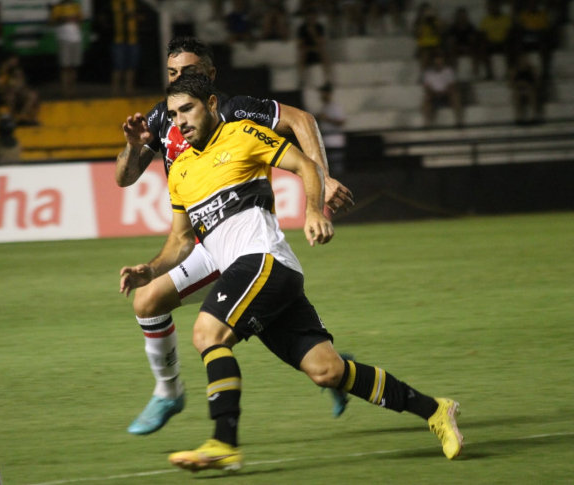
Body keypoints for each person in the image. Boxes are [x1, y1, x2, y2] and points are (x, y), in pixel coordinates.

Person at [119, 74, 464, 472]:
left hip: (263, 261)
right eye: (175, 113)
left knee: (207, 334)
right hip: (259, 277)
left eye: (188, 109)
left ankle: (223, 442)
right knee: (328, 371)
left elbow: (303, 164)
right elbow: (180, 242)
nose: (180, 120)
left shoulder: (242, 134)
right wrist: (149, 269)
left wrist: (315, 210)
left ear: (211, 103)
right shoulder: (179, 171)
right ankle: (437, 410)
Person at [115, 37, 354, 436]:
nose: (178, 80)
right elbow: (124, 178)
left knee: (170, 309)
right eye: (172, 73)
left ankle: (195, 411)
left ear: (208, 75)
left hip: (241, 235)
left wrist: (324, 180)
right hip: (203, 239)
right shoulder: (164, 118)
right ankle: (329, 367)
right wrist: (131, 145)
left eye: (188, 73)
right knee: (147, 301)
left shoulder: (229, 109)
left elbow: (301, 120)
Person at [50, 0, 83, 98]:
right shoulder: (57, 8)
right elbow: (51, 22)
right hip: (64, 39)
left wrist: (74, 20)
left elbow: (80, 20)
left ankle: (73, 91)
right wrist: (64, 19)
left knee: (74, 67)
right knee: (65, 67)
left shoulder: (76, 6)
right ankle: (65, 91)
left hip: (76, 39)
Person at [0, 55, 41, 126]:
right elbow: (0, 87)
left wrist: (19, 88)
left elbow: (22, 85)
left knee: (33, 95)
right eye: (13, 59)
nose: (15, 61)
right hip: (8, 94)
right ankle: (12, 119)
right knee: (11, 96)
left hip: (19, 93)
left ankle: (23, 116)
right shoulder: (3, 71)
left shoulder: (18, 71)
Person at [422, 52, 463, 127]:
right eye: (437, 61)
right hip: (434, 96)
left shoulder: (448, 71)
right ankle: (426, 123)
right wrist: (435, 93)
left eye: (440, 61)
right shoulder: (428, 73)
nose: (439, 63)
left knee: (455, 95)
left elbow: (452, 85)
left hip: (446, 95)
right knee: (426, 98)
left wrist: (444, 92)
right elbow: (427, 87)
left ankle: (459, 121)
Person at [111, 0, 140, 96]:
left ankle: (129, 90)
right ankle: (116, 91)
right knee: (118, 67)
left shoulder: (134, 2)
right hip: (118, 39)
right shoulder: (114, 3)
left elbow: (142, 16)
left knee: (131, 66)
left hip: (133, 39)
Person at [478, 0, 513, 80]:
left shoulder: (505, 19)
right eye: (492, 7)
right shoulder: (485, 20)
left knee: (509, 46)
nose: (494, 8)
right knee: (482, 47)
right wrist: (491, 43)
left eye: (495, 6)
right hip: (491, 44)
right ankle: (489, 72)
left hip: (503, 43)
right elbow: (483, 36)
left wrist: (501, 42)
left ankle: (509, 71)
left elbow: (508, 34)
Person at [315, 82, 346, 173]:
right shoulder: (324, 107)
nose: (321, 95)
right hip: (326, 142)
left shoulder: (336, 107)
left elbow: (341, 122)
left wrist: (326, 118)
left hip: (335, 142)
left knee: (337, 168)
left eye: (324, 93)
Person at [297, 7, 331, 86]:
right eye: (310, 16)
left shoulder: (320, 27)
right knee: (302, 54)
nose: (312, 18)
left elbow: (322, 43)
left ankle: (327, 79)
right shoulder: (302, 28)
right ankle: (301, 80)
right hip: (307, 52)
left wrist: (313, 33)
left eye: (313, 16)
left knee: (324, 53)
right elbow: (300, 45)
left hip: (317, 51)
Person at [509, 53, 542, 124]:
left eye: (526, 60)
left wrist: (528, 85)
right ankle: (519, 117)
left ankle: (534, 116)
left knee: (532, 93)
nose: (524, 61)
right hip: (520, 90)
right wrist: (520, 84)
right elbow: (511, 84)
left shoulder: (532, 70)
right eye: (522, 60)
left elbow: (537, 83)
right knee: (516, 95)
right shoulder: (515, 70)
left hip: (530, 90)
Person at [447, 7, 479, 74]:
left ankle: (475, 73)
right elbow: (451, 41)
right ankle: (453, 74)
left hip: (468, 48)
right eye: (460, 16)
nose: (462, 18)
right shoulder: (453, 28)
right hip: (457, 48)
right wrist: (459, 47)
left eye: (463, 16)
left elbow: (473, 41)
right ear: (457, 17)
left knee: (476, 52)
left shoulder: (470, 27)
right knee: (451, 53)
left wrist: (467, 47)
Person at [413, 2, 444, 73]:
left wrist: (435, 15)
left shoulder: (434, 21)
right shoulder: (419, 22)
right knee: (425, 55)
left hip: (435, 45)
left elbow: (442, 28)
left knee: (440, 54)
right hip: (423, 46)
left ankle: (440, 74)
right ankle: (424, 75)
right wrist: (423, 20)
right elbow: (418, 33)